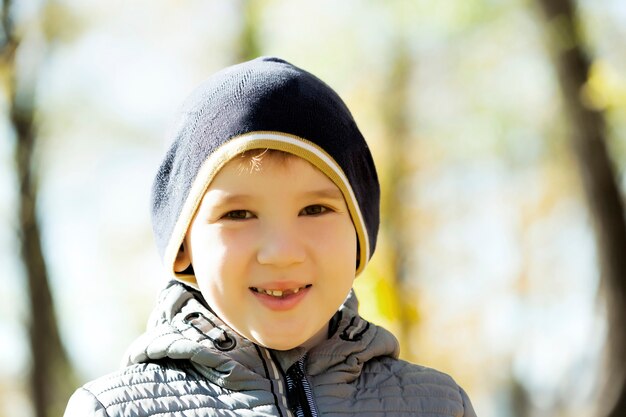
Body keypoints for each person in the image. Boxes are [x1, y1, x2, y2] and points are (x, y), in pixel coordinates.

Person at [64, 56, 476, 417]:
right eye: (238, 214)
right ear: (183, 245)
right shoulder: (112, 411)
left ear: (360, 234)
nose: (281, 253)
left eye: (315, 210)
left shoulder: (439, 405)